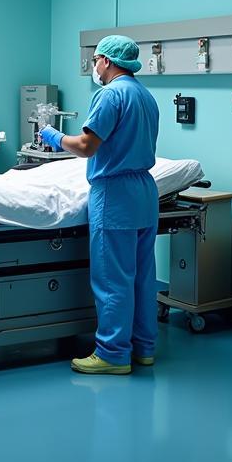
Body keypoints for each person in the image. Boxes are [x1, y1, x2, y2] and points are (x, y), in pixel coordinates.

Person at [40, 35, 160, 375]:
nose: (94, 66)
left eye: (95, 60)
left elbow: (86, 145)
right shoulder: (145, 96)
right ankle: (144, 348)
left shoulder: (110, 95)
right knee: (142, 277)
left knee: (113, 280)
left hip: (115, 195)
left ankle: (112, 353)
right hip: (144, 193)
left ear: (106, 60)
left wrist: (52, 136)